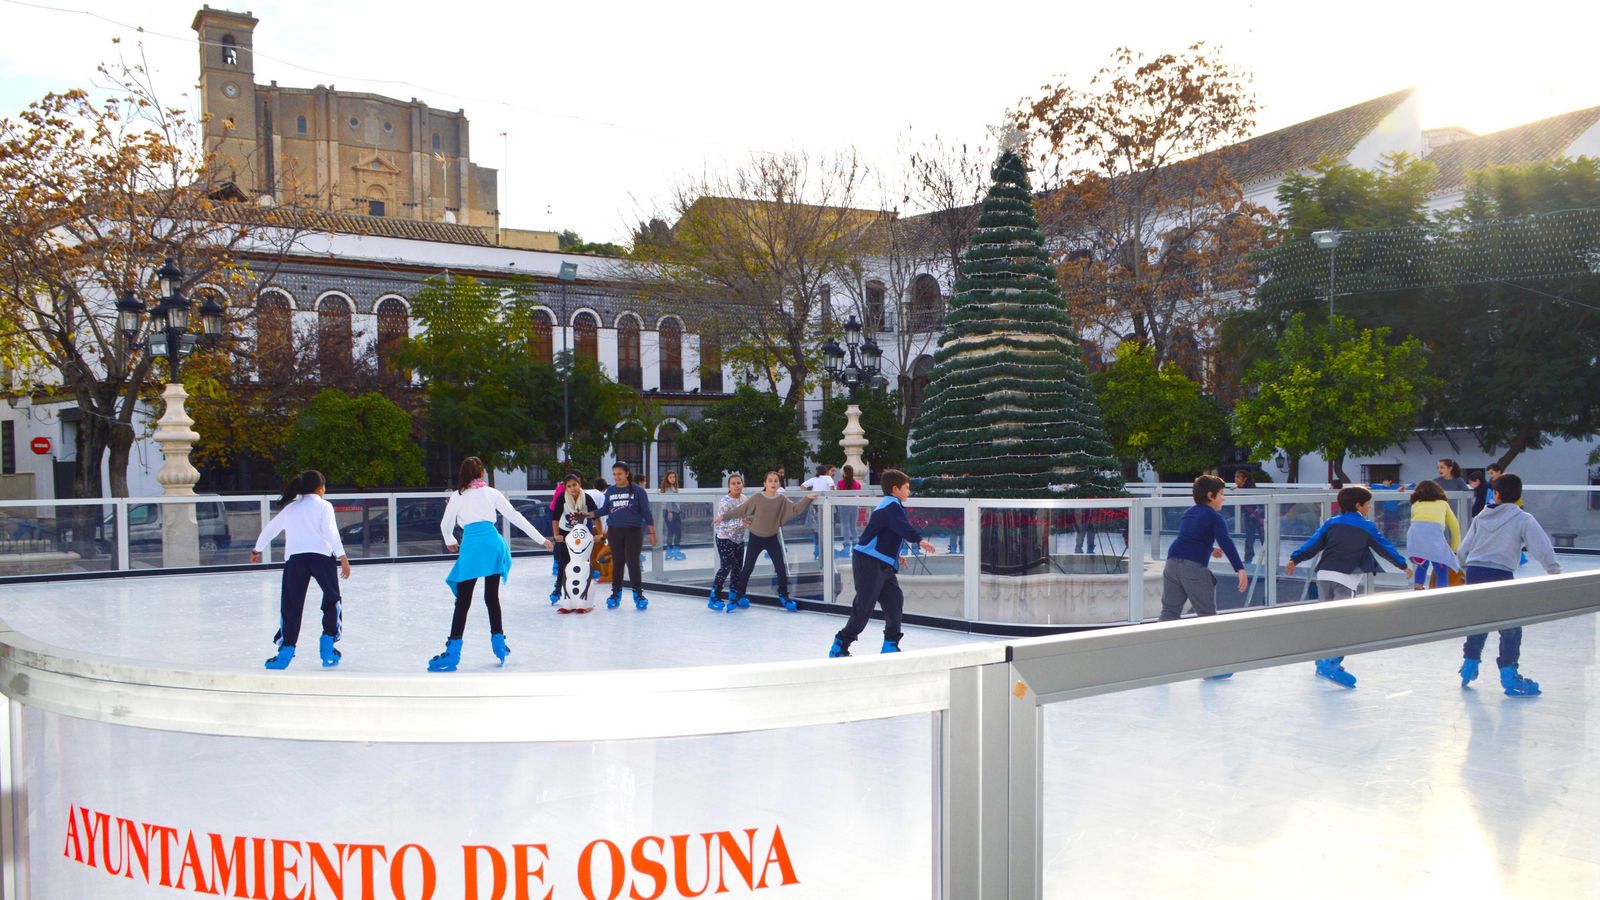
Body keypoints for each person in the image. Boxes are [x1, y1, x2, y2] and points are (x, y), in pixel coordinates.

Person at [428, 457, 553, 672]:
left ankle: (453, 651)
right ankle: (499, 643)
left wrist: (450, 541)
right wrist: (542, 539)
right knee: (491, 597)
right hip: (494, 545)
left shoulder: (458, 496)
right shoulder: (492, 493)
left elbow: (445, 525)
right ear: (482, 473)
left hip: (473, 548)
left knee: (463, 601)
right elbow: (516, 516)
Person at [1286, 485, 1413, 688]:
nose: (1370, 507)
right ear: (1358, 505)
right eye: (1368, 503)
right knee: (1343, 622)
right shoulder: (1366, 526)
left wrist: (1295, 558)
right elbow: (1384, 547)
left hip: (1324, 575)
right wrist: (1403, 565)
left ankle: (1321, 659)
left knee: (1327, 620)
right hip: (1345, 579)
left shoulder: (1331, 523)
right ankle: (1331, 663)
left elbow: (1313, 543)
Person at [1453, 474, 1560, 696]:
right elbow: (1541, 547)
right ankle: (1509, 674)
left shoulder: (1481, 517)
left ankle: (1470, 663)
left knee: (1479, 619)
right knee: (1510, 624)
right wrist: (1554, 572)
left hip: (1475, 571)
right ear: (1519, 495)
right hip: (1500, 573)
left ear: (1496, 494)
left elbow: (1464, 549)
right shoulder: (1523, 518)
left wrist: (1463, 567)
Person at [829, 469, 937, 657]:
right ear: (896, 489)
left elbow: (889, 533)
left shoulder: (893, 506)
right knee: (864, 606)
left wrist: (896, 556)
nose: (909, 492)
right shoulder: (890, 506)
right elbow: (901, 528)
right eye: (907, 488)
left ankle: (890, 644)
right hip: (868, 562)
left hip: (882, 563)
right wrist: (919, 540)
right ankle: (840, 644)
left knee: (895, 600)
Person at [251, 470, 351, 670]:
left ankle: (286, 651)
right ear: (320, 489)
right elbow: (330, 531)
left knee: (291, 604)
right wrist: (342, 556)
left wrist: (257, 549)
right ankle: (328, 644)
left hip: (295, 560)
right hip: (322, 557)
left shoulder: (291, 509)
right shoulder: (324, 506)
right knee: (332, 598)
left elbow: (271, 528)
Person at [714, 471, 816, 611]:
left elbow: (795, 509)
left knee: (780, 568)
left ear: (779, 484)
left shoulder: (782, 499)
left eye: (776, 481)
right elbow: (741, 510)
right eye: (770, 480)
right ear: (765, 484)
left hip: (771, 538)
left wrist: (807, 498)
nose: (773, 483)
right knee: (747, 569)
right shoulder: (757, 498)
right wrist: (724, 517)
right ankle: (738, 595)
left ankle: (784, 596)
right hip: (755, 538)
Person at [1159, 475, 1250, 625]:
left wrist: (1209, 549)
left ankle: (1158, 645)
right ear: (1210, 495)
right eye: (1221, 493)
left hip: (1172, 563)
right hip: (1193, 568)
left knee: (1169, 612)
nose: (1224, 498)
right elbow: (1226, 542)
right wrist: (1240, 569)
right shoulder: (1215, 517)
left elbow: (1190, 538)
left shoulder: (1188, 513)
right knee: (1207, 616)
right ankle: (1209, 648)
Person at [602, 462, 656, 610]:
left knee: (633, 563)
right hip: (614, 531)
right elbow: (605, 509)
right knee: (618, 563)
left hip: (633, 531)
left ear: (627, 474)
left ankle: (638, 595)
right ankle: (615, 594)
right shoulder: (610, 491)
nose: (616, 477)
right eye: (614, 474)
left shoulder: (638, 491)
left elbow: (646, 513)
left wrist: (652, 532)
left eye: (619, 473)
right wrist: (589, 514)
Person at [550, 473, 601, 612]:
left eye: (575, 485)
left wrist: (600, 533)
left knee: (584, 562)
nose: (572, 488)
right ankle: (558, 590)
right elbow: (555, 518)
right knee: (564, 562)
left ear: (580, 485)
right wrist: (556, 535)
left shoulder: (586, 498)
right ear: (565, 488)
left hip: (581, 533)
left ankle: (584, 595)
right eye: (569, 486)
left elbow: (596, 516)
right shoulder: (562, 498)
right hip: (565, 532)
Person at [1405, 479, 1461, 590]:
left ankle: (1418, 590)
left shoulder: (1415, 505)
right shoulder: (1443, 504)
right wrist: (1455, 549)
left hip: (1415, 539)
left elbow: (1415, 524)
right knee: (1441, 569)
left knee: (1422, 565)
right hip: (1434, 538)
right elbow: (1455, 527)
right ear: (1438, 491)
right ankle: (1441, 595)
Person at [709, 473, 751, 610]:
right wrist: (741, 522)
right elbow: (723, 522)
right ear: (729, 486)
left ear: (742, 484)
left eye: (739, 483)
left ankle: (735, 595)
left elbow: (749, 514)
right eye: (733, 483)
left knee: (738, 567)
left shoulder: (745, 499)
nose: (736, 486)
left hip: (739, 539)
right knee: (727, 566)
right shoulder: (724, 502)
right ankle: (714, 596)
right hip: (724, 538)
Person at [801, 464, 835, 558]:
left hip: (815, 505)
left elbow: (802, 486)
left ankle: (817, 548)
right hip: (826, 504)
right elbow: (832, 489)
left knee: (816, 528)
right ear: (825, 471)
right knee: (827, 526)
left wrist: (810, 494)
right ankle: (826, 548)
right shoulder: (828, 478)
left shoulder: (814, 479)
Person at [1233, 468, 1264, 564]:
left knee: (1263, 538)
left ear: (1245, 479)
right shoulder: (1241, 487)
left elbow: (1259, 502)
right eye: (1235, 477)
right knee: (1249, 538)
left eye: (1238, 477)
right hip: (1249, 516)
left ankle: (1270, 559)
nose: (1236, 479)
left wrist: (1257, 513)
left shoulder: (1250, 488)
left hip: (1258, 516)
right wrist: (1235, 488)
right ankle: (1248, 559)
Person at [835, 465, 863, 554]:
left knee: (845, 524)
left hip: (844, 505)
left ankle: (846, 542)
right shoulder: (857, 484)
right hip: (854, 505)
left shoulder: (840, 483)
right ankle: (855, 541)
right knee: (853, 525)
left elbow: (838, 493)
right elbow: (859, 492)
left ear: (845, 472)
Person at [659, 470, 685, 561]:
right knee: (675, 532)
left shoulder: (673, 487)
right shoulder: (668, 488)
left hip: (674, 512)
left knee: (674, 532)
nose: (673, 479)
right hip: (670, 512)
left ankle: (671, 552)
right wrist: (670, 512)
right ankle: (673, 552)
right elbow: (668, 499)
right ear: (667, 478)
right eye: (670, 477)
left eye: (674, 477)